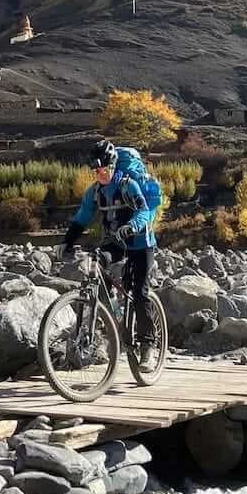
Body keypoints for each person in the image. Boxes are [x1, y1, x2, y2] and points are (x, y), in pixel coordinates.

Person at [61, 139, 158, 351]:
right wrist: (67, 242)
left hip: (141, 242)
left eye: (104, 169)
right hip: (116, 242)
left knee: (140, 293)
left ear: (113, 166)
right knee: (96, 261)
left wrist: (132, 225)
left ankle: (147, 346)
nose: (100, 174)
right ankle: (111, 306)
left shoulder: (128, 185)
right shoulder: (95, 192)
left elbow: (143, 211)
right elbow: (82, 218)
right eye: (96, 171)